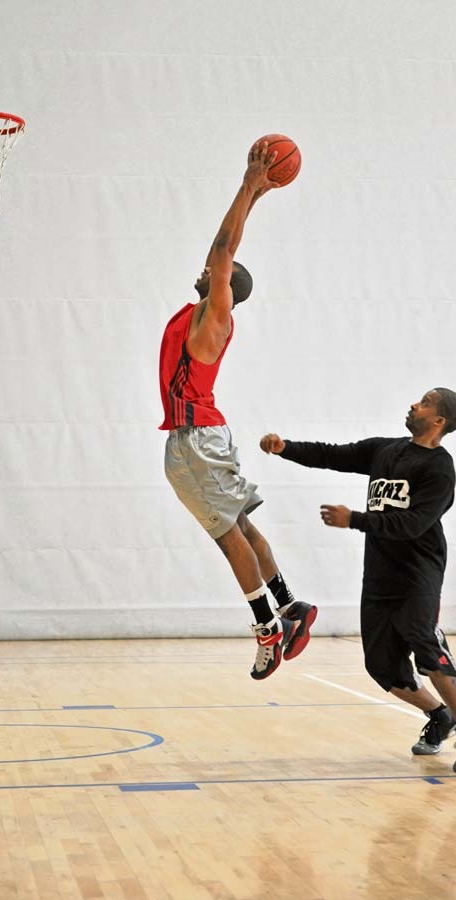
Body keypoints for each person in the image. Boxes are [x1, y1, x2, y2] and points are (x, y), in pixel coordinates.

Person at [260, 388, 456, 772]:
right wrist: (286, 447)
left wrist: (356, 520)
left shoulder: (439, 468)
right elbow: (333, 454)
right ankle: (439, 714)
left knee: (426, 651)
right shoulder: (385, 450)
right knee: (382, 668)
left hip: (418, 575)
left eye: (426, 402)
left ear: (439, 421)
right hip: (379, 576)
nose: (415, 404)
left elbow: (414, 524)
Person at [158, 140, 317, 680]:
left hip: (196, 440)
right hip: (204, 436)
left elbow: (223, 251)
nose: (205, 268)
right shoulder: (203, 312)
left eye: (215, 272)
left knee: (229, 538)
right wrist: (259, 195)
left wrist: (249, 184)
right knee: (243, 527)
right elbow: (220, 252)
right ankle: (290, 605)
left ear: (223, 286)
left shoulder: (214, 319)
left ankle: (266, 629)